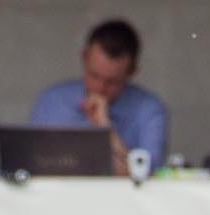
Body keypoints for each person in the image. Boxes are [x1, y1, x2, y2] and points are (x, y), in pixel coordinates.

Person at [28, 19, 169, 176]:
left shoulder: (149, 109)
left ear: (131, 72)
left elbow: (148, 177)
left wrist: (106, 128)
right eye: (94, 75)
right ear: (85, 58)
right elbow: (32, 166)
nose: (100, 87)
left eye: (112, 82)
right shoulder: (53, 100)